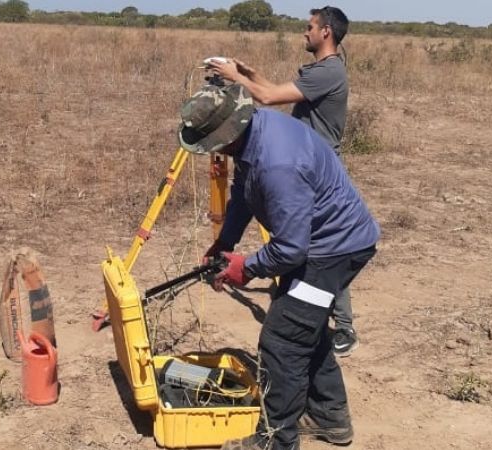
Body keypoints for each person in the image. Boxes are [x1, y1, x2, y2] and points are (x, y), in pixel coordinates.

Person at [179, 83, 379, 450]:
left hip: (332, 251)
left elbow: (290, 249)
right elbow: (244, 192)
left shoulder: (278, 164)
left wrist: (246, 268)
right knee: (305, 329)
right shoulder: (256, 132)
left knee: (283, 340)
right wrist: (225, 242)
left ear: (226, 134)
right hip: (322, 244)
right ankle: (329, 417)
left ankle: (274, 440)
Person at [207, 6, 360, 357]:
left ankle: (344, 325)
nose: (305, 32)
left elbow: (268, 98)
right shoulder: (321, 70)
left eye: (310, 27)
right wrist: (250, 74)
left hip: (313, 169)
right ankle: (310, 305)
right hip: (300, 163)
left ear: (326, 32)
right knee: (305, 243)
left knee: (323, 243)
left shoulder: (330, 71)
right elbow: (274, 89)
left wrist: (235, 77)